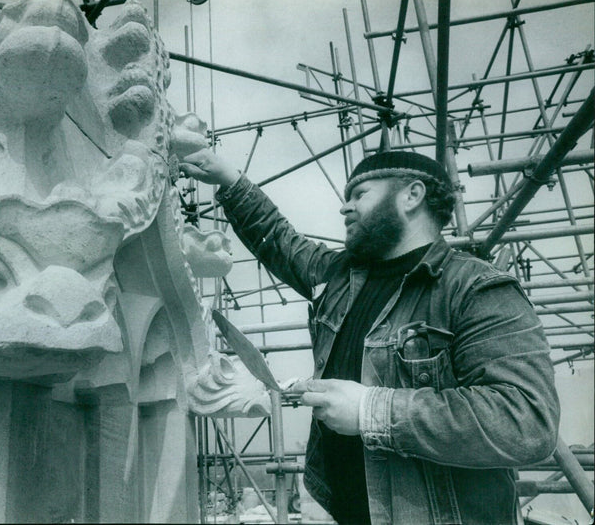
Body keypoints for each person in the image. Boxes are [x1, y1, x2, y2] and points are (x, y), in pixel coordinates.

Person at [179, 149, 560, 525]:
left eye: (360, 194)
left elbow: (526, 421)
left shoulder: (474, 288)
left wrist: (370, 410)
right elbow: (281, 242)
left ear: (412, 195)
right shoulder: (344, 277)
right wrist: (229, 180)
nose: (345, 208)